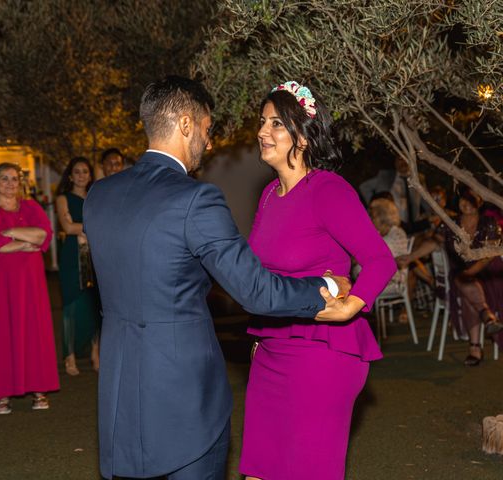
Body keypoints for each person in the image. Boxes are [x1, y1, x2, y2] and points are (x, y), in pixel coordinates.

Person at [83, 75, 356, 480]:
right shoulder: (195, 199)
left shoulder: (99, 196)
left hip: (121, 392)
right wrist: (328, 287)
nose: (208, 144)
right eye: (207, 131)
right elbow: (256, 292)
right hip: (185, 395)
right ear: (187, 125)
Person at [239, 81, 396, 480]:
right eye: (262, 122)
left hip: (322, 353)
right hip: (272, 351)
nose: (262, 131)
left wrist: (349, 304)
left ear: (303, 136)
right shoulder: (270, 196)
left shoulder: (328, 189)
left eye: (276, 123)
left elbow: (379, 260)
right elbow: (260, 274)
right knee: (259, 470)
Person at [0, 162, 59, 414]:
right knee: (0, 331)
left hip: (31, 283)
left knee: (33, 329)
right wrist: (22, 243)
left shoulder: (31, 207)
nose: (10, 184)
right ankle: (1, 393)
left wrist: (9, 233)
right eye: (4, 179)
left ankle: (38, 388)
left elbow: (43, 235)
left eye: (15, 179)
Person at [398, 189, 503, 365]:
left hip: (488, 274)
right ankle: (487, 317)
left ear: (480, 201)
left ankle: (475, 347)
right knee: (465, 283)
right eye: (464, 198)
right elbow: (433, 242)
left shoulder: (489, 222)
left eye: (472, 199)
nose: (467, 203)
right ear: (458, 200)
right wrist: (410, 257)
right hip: (460, 274)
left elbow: (490, 255)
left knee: (467, 288)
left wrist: (471, 272)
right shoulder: (449, 223)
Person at [55, 157, 101, 376]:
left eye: (85, 171)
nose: (81, 175)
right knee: (71, 306)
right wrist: (90, 227)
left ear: (90, 175)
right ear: (70, 175)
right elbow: (67, 226)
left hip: (96, 256)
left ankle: (95, 353)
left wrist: (82, 227)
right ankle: (69, 356)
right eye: (77, 171)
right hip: (72, 257)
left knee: (94, 305)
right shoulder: (63, 198)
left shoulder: (97, 197)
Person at [359, 156, 430, 235]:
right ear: (395, 162)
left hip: (414, 226)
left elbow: (426, 201)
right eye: (400, 159)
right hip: (392, 225)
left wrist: (430, 214)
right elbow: (364, 187)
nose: (403, 162)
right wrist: (376, 206)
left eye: (406, 159)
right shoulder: (385, 176)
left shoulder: (418, 179)